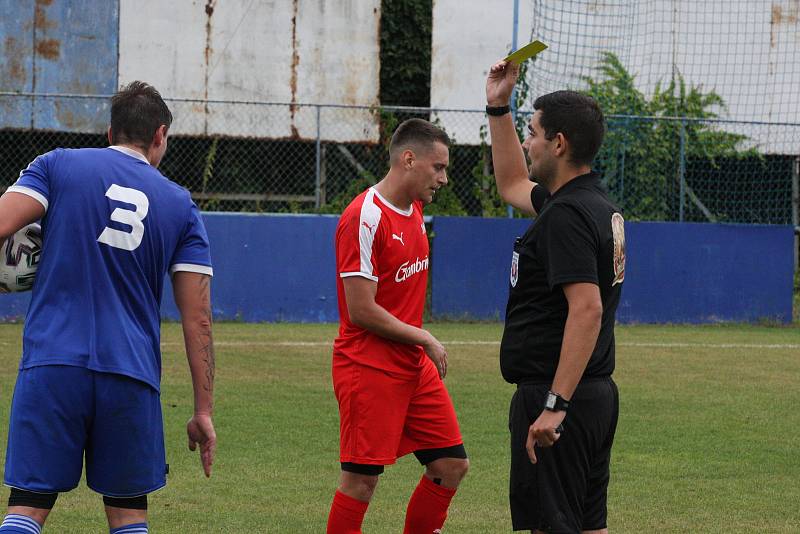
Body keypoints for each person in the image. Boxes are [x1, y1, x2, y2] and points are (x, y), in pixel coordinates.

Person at [0, 81, 217, 534]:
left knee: (26, 507)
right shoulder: (180, 205)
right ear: (160, 135)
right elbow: (197, 317)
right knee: (128, 516)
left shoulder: (56, 166)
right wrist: (202, 410)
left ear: (109, 131)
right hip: (130, 372)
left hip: (53, 363)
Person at [485, 60, 626, 533]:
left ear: (559, 143)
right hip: (594, 396)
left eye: (532, 132)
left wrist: (555, 404)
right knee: (588, 526)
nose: (526, 142)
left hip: (561, 396)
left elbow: (586, 309)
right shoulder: (590, 203)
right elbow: (510, 183)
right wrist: (498, 107)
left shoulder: (567, 215)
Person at [326, 118, 469, 534]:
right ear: (409, 159)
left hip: (411, 367)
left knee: (450, 465)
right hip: (367, 366)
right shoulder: (363, 217)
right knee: (361, 482)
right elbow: (361, 310)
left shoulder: (416, 209)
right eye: (438, 167)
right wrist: (423, 336)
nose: (443, 178)